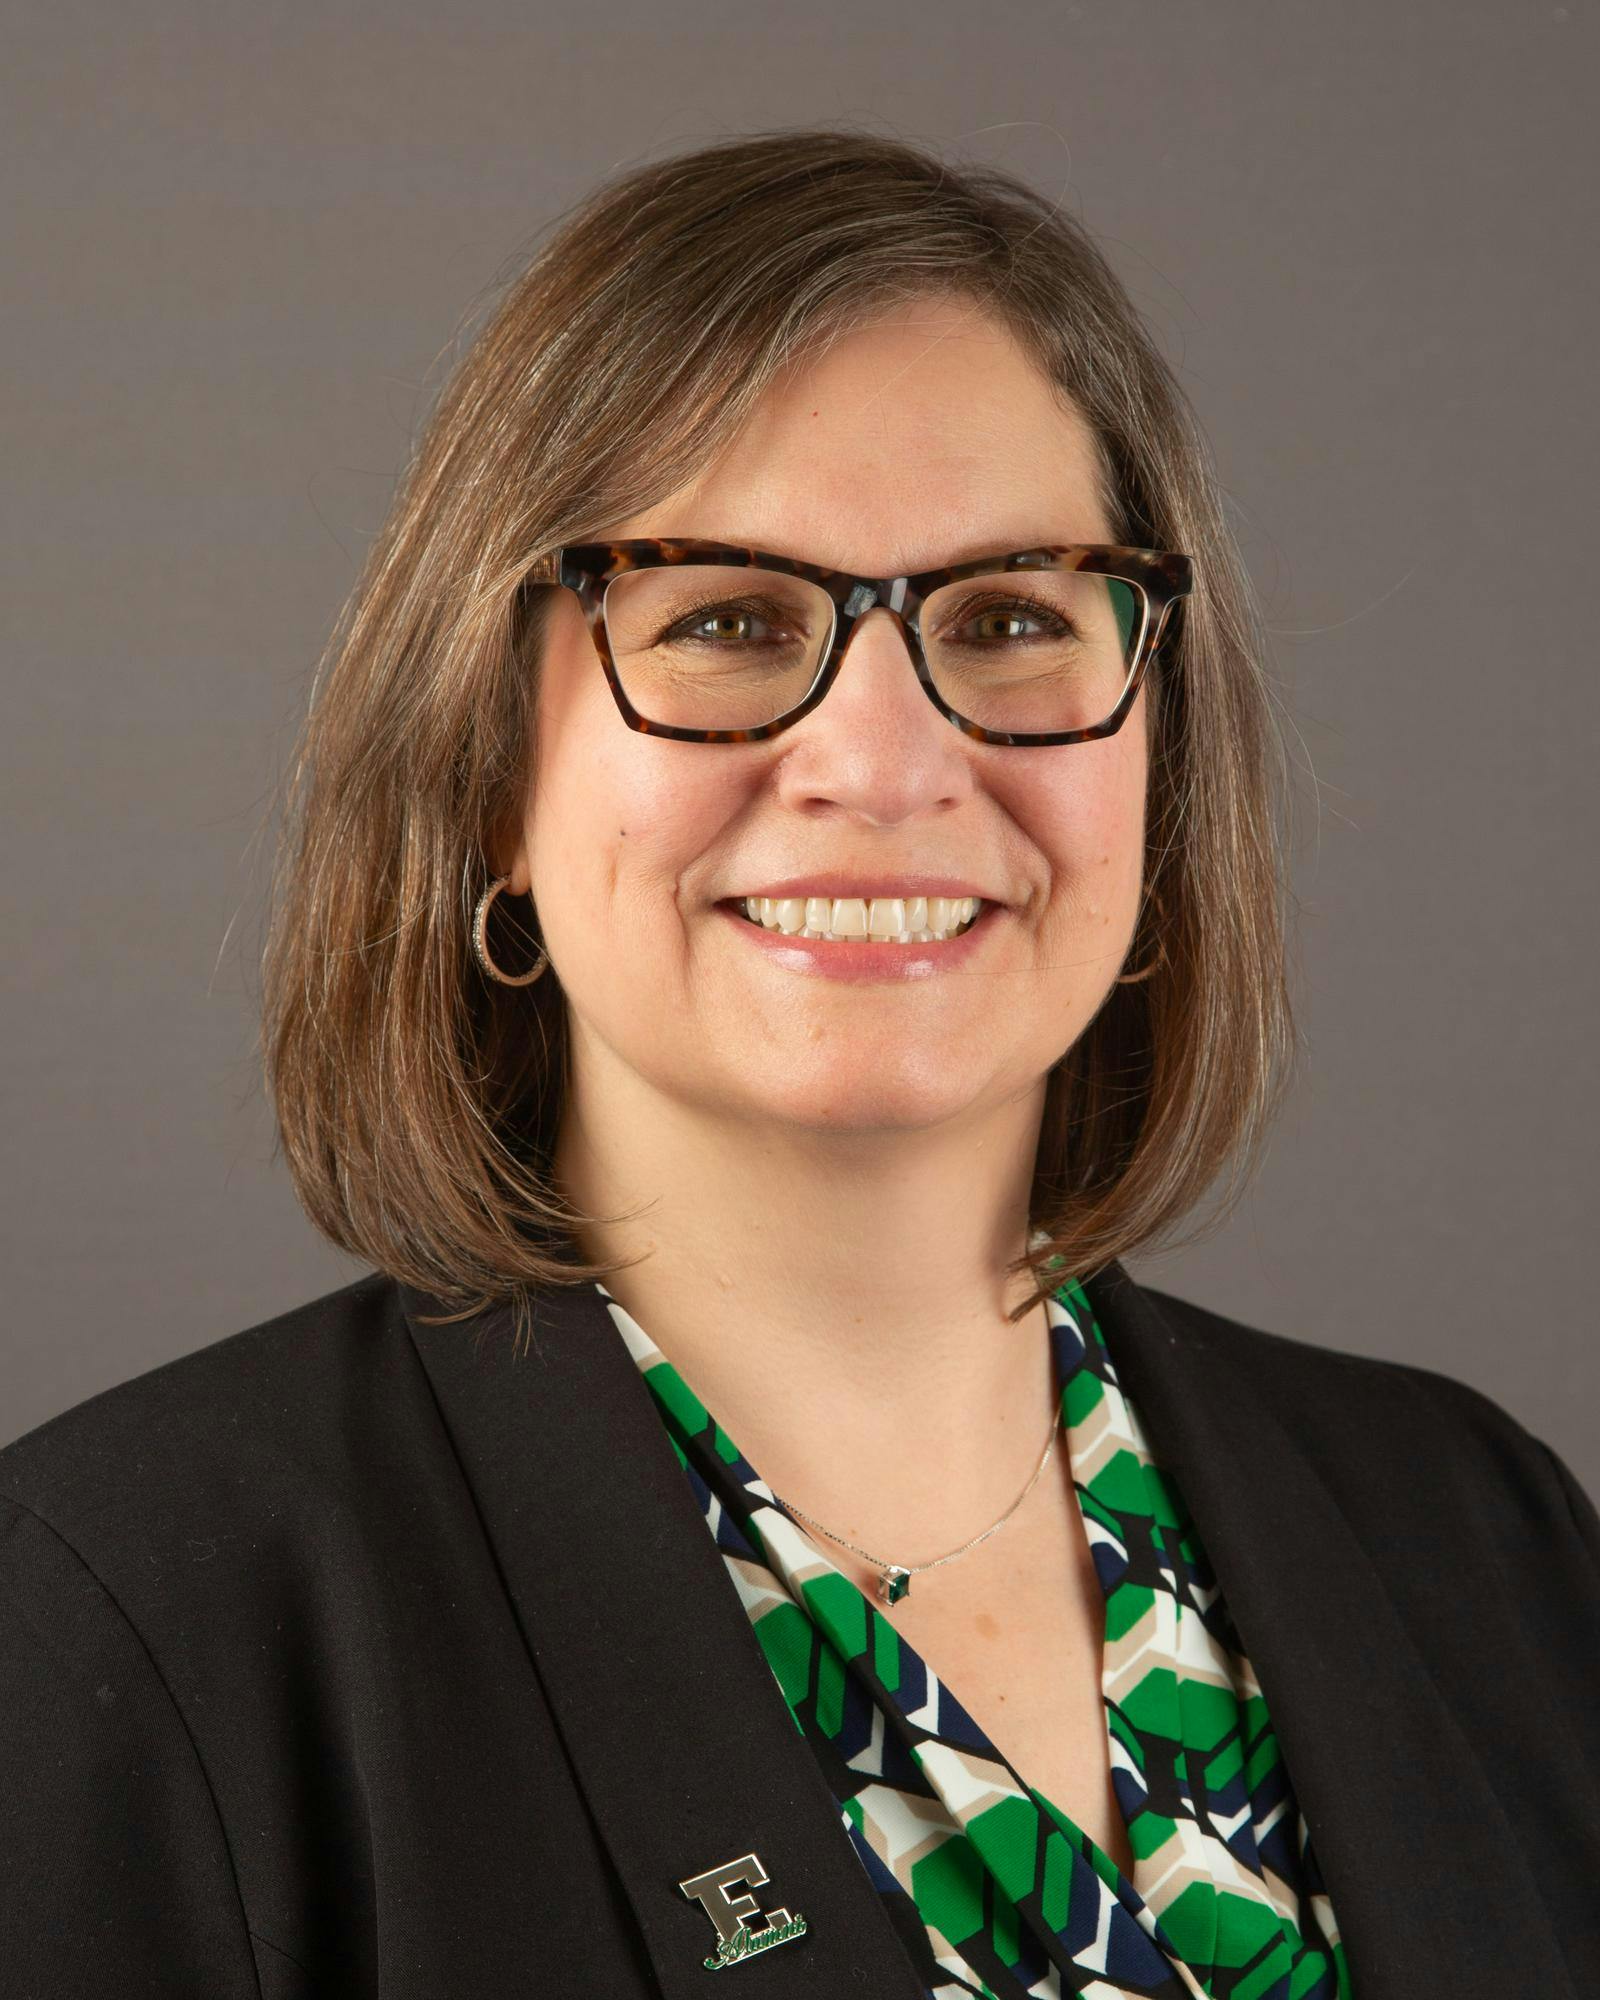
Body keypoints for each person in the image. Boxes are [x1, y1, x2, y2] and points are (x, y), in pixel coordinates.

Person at [2, 128, 1596, 2000]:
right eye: (728, 621)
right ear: (487, 775)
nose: (883, 760)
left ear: (1156, 769)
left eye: (1010, 618)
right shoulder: (121, 1615)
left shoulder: (1482, 1537)